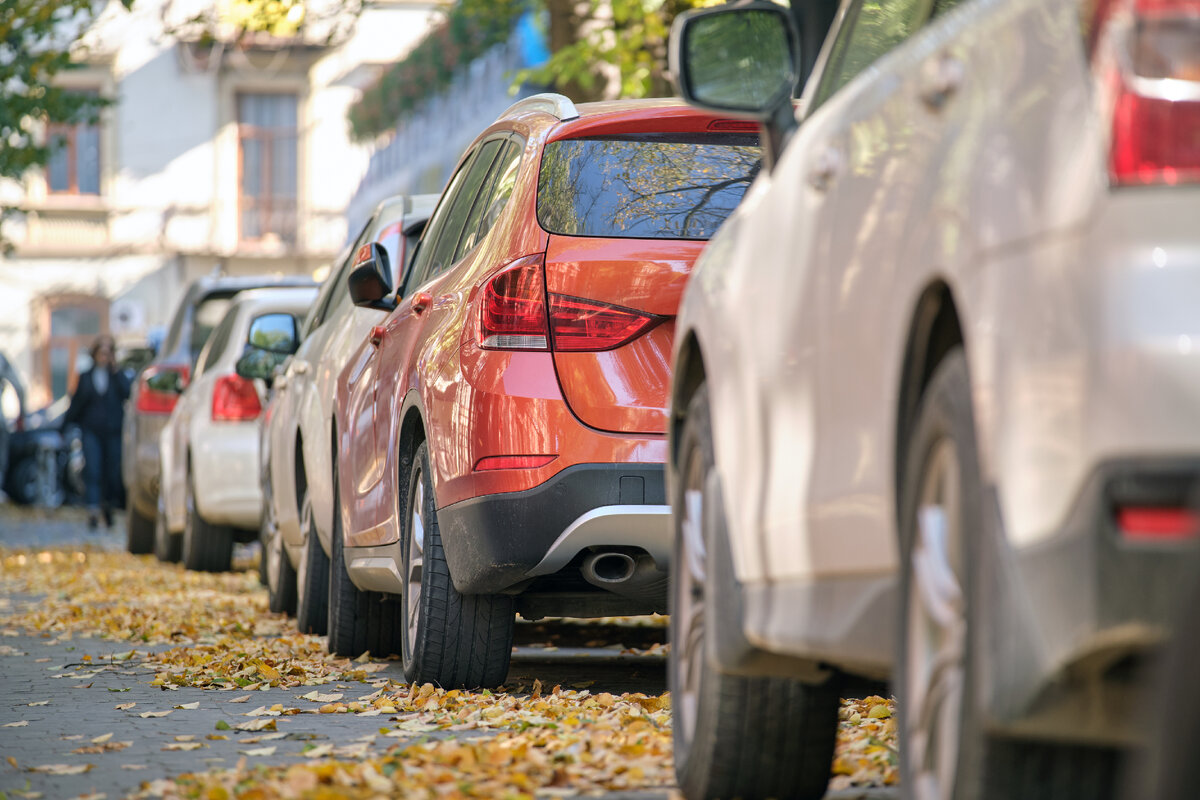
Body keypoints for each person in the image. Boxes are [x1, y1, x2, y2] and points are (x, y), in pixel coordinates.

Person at [64, 334, 131, 528]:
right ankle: (93, 509)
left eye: (108, 351)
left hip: (113, 432)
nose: (104, 355)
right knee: (92, 469)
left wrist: (115, 370)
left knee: (112, 471)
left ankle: (107, 506)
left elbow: (127, 393)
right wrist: (65, 425)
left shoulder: (117, 376)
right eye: (101, 351)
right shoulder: (85, 376)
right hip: (91, 430)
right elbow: (76, 403)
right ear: (94, 353)